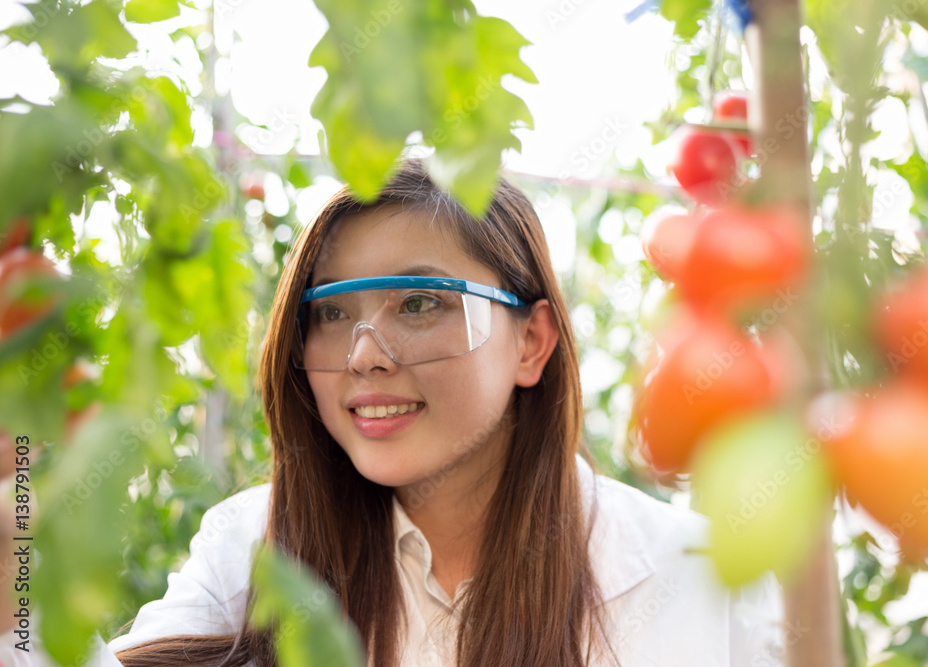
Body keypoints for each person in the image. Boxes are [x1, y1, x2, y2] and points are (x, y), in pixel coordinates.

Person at [1, 159, 784, 667]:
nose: (365, 354)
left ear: (531, 341)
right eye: (332, 314)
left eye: (419, 302)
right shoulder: (254, 546)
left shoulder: (702, 581)